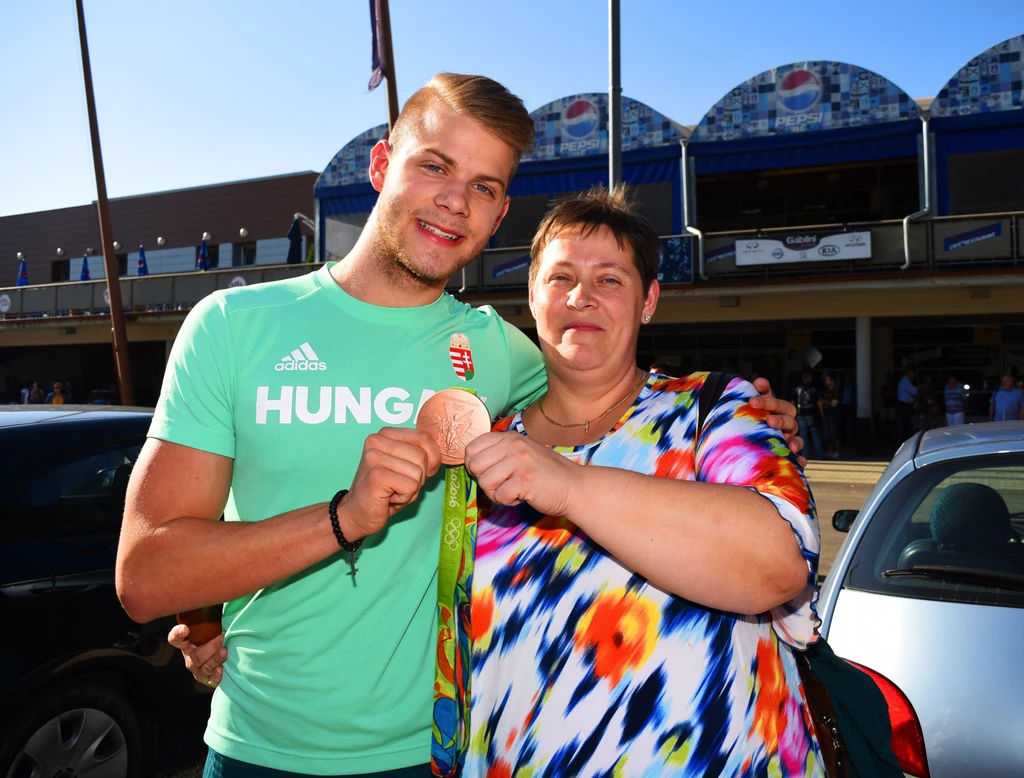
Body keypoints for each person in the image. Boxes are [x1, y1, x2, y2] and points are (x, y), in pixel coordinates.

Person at [125, 74, 802, 778]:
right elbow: (145, 576)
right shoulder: (235, 326)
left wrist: (747, 421)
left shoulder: (501, 353)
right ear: (383, 164)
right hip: (258, 749)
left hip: (442, 752)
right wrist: (283, 560)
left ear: (499, 213)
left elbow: (609, 400)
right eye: (435, 166)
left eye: (483, 186)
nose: (455, 200)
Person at [461, 188, 823, 775]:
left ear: (648, 300)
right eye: (560, 278)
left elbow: (779, 565)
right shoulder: (481, 450)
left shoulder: (716, 409)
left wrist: (570, 485)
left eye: (610, 280)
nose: (581, 296)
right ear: (531, 295)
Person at [794, 371, 824, 460]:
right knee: (815, 434)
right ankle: (819, 455)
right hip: (811, 413)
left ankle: (805, 455)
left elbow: (793, 401)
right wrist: (822, 413)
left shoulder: (797, 388)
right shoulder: (813, 388)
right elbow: (818, 402)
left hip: (800, 414)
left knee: (803, 436)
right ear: (809, 378)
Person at [819, 373, 841, 459]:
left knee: (835, 434)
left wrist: (824, 401)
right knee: (828, 434)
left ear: (832, 381)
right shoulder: (824, 391)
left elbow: (834, 404)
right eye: (825, 380)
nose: (826, 381)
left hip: (835, 415)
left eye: (828, 379)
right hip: (826, 415)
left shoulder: (836, 390)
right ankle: (830, 451)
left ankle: (837, 451)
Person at [896, 368, 917, 440]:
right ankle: (905, 439)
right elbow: (914, 391)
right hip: (904, 405)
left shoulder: (908, 381)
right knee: (906, 423)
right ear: (909, 373)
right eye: (913, 373)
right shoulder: (905, 381)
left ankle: (906, 438)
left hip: (906, 405)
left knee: (907, 423)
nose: (914, 375)